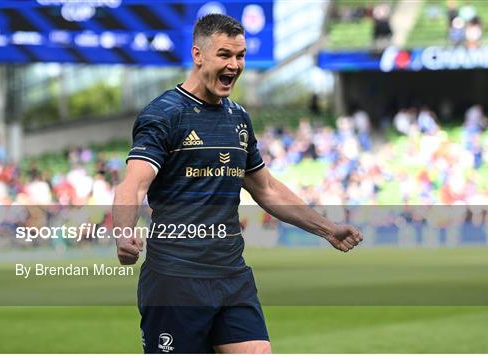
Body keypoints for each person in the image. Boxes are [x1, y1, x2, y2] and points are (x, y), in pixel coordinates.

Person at [112, 14, 363, 354]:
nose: (234, 64)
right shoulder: (164, 114)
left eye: (240, 55)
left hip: (232, 276)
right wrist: (125, 231)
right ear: (198, 55)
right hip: (176, 280)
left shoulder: (238, 118)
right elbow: (134, 183)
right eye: (225, 55)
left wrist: (327, 228)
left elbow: (266, 188)